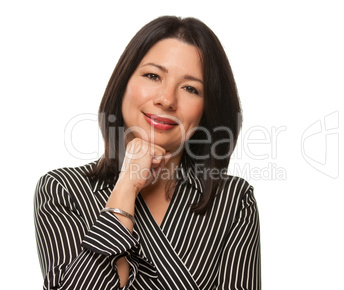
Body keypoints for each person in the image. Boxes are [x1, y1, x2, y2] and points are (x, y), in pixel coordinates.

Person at [34, 16, 261, 289]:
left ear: (207, 109)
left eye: (190, 88)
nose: (167, 99)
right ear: (124, 84)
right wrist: (127, 185)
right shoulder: (62, 190)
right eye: (153, 76)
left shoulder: (233, 202)